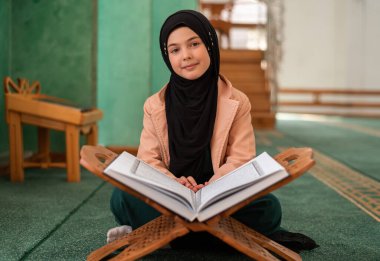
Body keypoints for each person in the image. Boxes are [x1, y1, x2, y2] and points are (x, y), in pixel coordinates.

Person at [107, 10, 317, 252]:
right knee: (121, 197)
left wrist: (209, 188)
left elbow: (240, 159)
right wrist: (176, 185)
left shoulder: (237, 101)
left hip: (220, 197)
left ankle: (163, 236)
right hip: (170, 197)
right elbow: (148, 160)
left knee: (268, 208)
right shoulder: (155, 105)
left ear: (209, 44)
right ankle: (216, 237)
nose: (185, 56)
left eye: (194, 44)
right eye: (175, 50)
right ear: (167, 57)